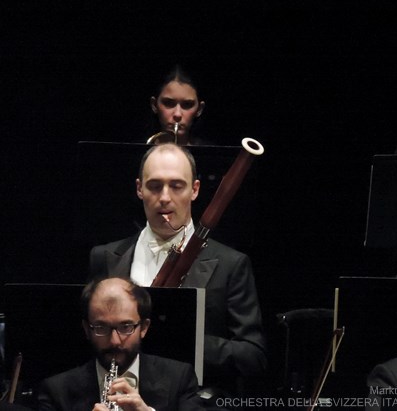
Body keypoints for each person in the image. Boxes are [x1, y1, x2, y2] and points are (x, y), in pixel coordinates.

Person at [88, 143, 267, 400]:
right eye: (154, 185)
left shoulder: (232, 264)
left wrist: (185, 340)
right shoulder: (103, 258)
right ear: (139, 188)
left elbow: (253, 356)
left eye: (176, 185)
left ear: (194, 190)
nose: (164, 197)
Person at [37, 277, 203, 411]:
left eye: (126, 327)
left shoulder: (179, 378)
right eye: (101, 327)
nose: (114, 341)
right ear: (87, 329)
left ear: (144, 328)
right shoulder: (57, 391)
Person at [147, 66, 209, 146]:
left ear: (199, 109)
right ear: (154, 105)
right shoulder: (135, 152)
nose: (177, 114)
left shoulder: (212, 155)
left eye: (187, 105)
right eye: (168, 103)